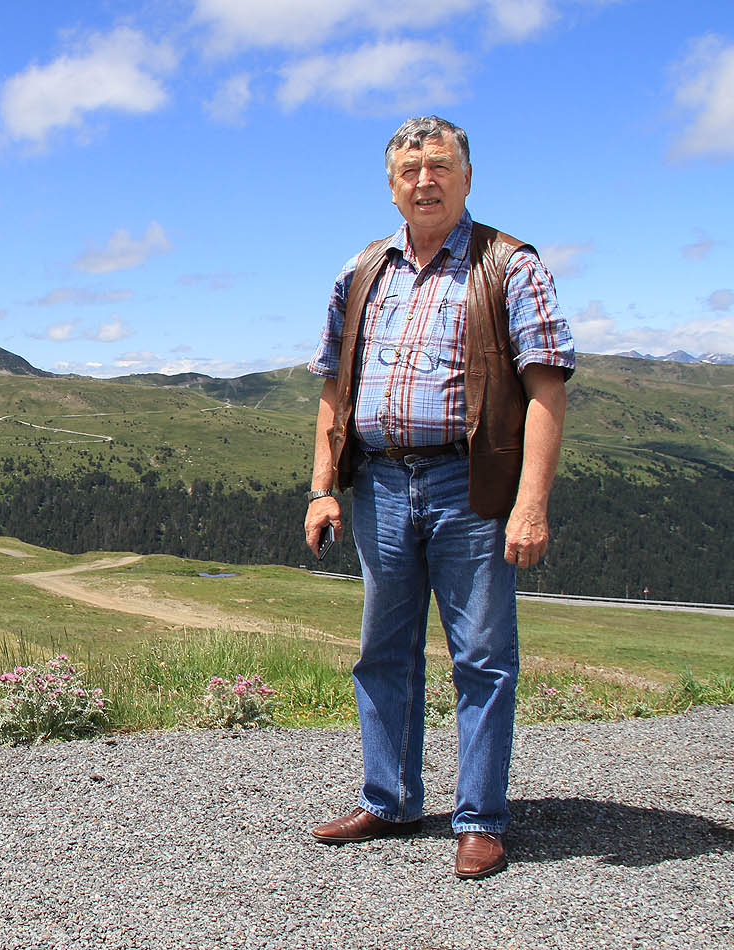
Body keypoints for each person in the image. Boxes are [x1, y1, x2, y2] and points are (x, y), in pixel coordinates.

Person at [303, 115, 574, 880]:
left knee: (482, 656)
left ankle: (480, 818)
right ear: (391, 184)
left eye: (440, 166)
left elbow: (545, 388)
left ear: (466, 175)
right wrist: (323, 488)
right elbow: (334, 388)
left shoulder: (510, 266)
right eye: (410, 169)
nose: (425, 180)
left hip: (470, 482)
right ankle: (388, 801)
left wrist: (530, 504)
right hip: (382, 482)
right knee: (382, 651)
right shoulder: (361, 271)